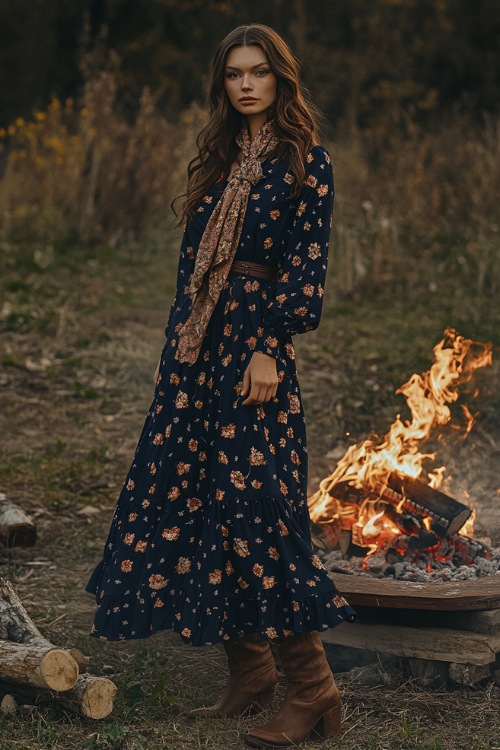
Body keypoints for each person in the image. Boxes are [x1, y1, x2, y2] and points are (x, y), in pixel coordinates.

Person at [86, 23, 355, 749]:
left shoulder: (306, 161)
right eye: (234, 72)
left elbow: (305, 268)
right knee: (198, 495)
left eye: (259, 72)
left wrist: (268, 346)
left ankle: (315, 692)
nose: (245, 84)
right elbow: (190, 271)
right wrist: (179, 353)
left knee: (256, 505)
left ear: (280, 79)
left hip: (254, 349)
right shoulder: (216, 161)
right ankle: (252, 672)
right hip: (198, 353)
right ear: (222, 83)